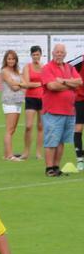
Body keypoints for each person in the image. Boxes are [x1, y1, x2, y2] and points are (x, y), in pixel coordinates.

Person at [41, 43, 82, 176]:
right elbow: (52, 86)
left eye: (61, 52)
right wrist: (71, 85)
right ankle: (49, 168)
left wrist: (63, 81)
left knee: (61, 141)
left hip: (69, 111)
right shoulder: (47, 68)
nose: (59, 54)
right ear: (53, 53)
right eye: (57, 52)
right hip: (53, 110)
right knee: (51, 140)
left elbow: (80, 82)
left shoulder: (69, 67)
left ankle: (56, 166)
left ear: (65, 54)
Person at [0, 50, 26, 161]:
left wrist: (19, 84)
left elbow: (25, 83)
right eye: (9, 59)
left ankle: (6, 154)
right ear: (6, 60)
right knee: (9, 129)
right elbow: (14, 87)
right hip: (9, 101)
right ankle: (10, 156)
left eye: (13, 59)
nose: (11, 61)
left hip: (18, 101)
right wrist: (21, 84)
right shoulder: (4, 71)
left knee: (13, 129)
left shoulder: (16, 72)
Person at [20, 46, 44, 161]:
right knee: (28, 126)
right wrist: (39, 84)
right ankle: (26, 151)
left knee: (40, 126)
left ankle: (39, 152)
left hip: (43, 98)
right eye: (34, 55)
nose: (36, 57)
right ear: (31, 55)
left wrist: (41, 68)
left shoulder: (44, 67)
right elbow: (26, 83)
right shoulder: (27, 67)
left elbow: (47, 81)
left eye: (37, 54)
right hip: (31, 98)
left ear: (41, 55)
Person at [76, 57, 84, 171]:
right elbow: (65, 67)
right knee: (78, 128)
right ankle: (80, 159)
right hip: (80, 99)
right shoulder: (79, 61)